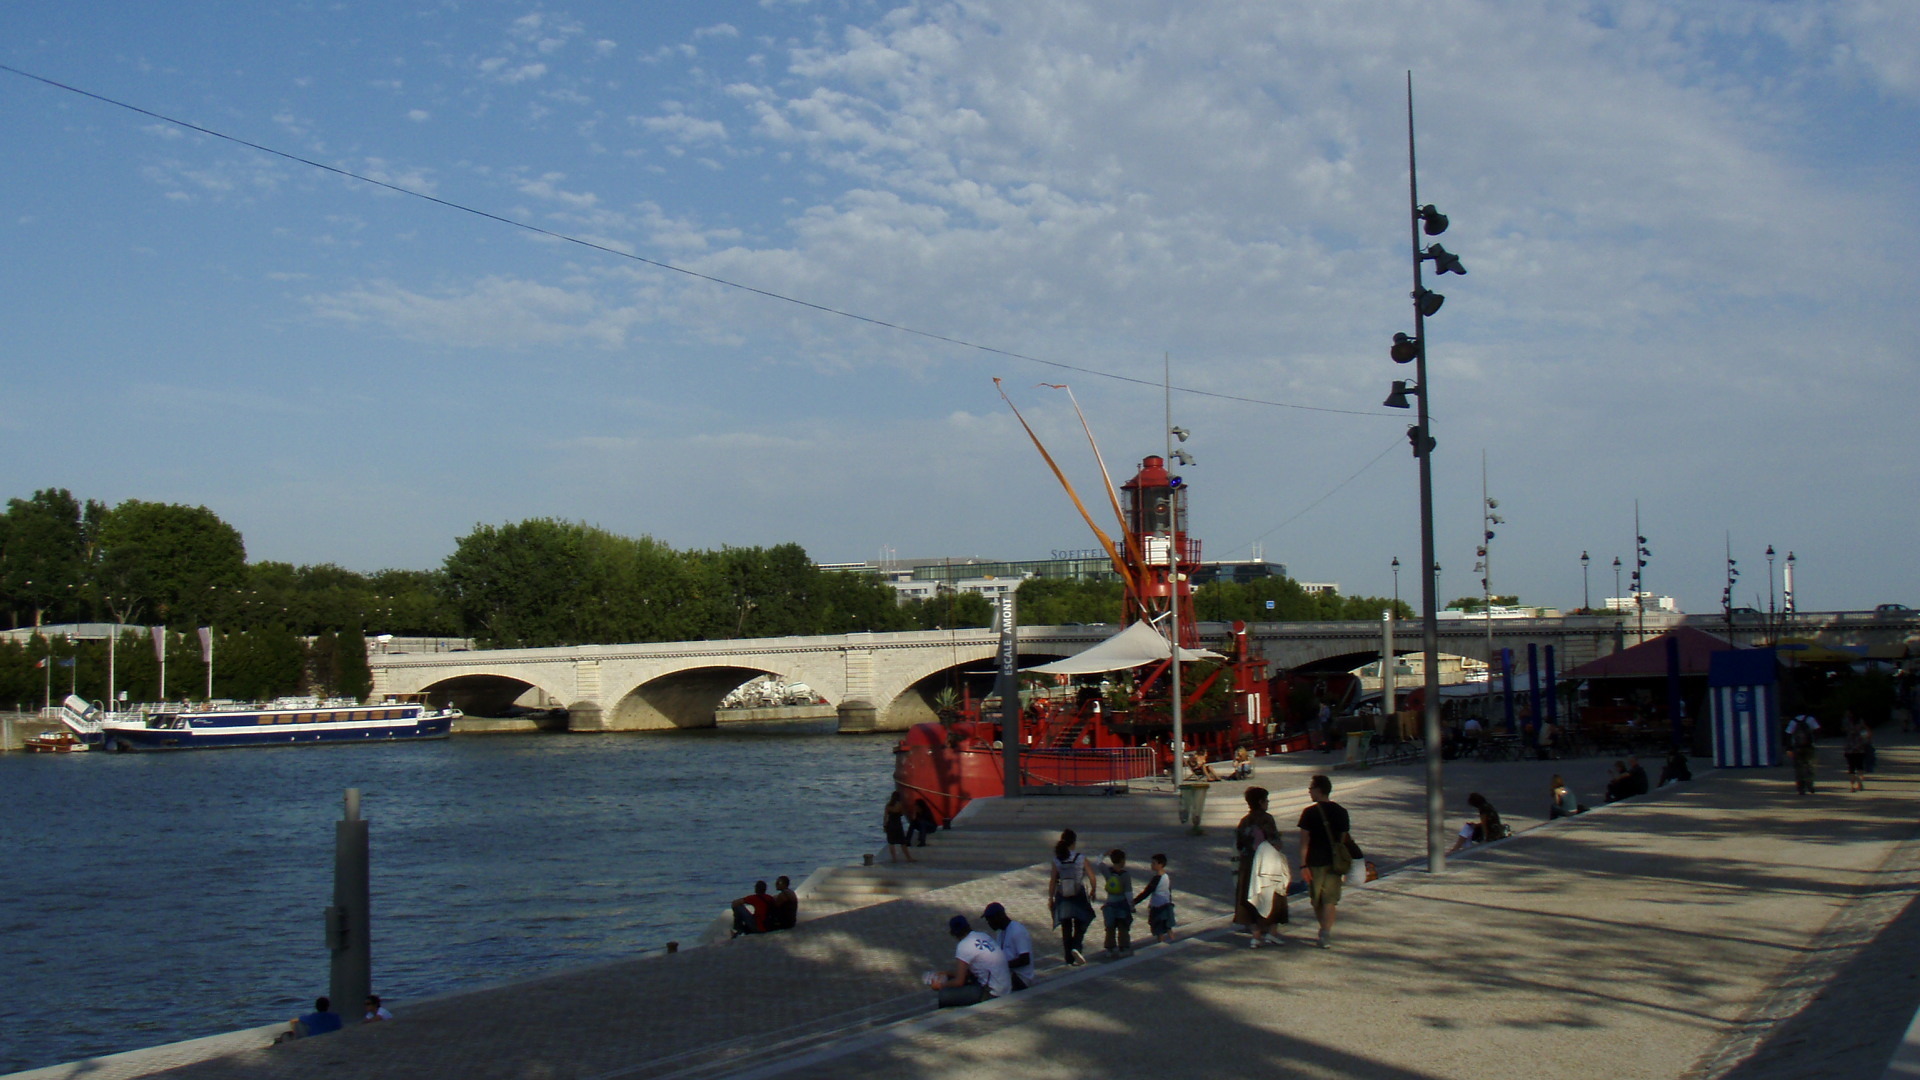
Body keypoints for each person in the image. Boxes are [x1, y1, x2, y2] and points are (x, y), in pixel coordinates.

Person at [1297, 774, 1353, 949]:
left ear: (1318, 790)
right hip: (1334, 862)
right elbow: (1343, 838)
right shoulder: (1341, 812)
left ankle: (1324, 929)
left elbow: (1304, 841)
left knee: (1317, 899)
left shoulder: (1309, 813)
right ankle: (1325, 933)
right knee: (1330, 899)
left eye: (1311, 788)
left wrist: (1303, 864)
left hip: (1315, 861)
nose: (1309, 791)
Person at [1233, 786, 1288, 947]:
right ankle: (1272, 932)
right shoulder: (1267, 819)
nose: (1268, 803)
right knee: (1273, 895)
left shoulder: (1244, 821)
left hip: (1248, 864)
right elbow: (1275, 842)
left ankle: (1255, 935)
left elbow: (1239, 844)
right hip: (1267, 865)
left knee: (1250, 896)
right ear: (1260, 801)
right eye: (1266, 800)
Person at [928, 915, 1011, 1007]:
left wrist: (940, 985)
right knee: (961, 980)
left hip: (992, 992)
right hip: (1006, 987)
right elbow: (967, 973)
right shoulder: (983, 935)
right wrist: (947, 973)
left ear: (954, 934)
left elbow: (959, 981)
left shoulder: (963, 945)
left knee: (944, 995)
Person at [1047, 829, 1097, 965]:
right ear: (1074, 843)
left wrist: (1050, 898)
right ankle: (1076, 946)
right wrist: (1093, 889)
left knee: (1066, 926)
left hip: (1063, 894)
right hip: (1078, 893)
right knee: (1083, 919)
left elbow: (1053, 880)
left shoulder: (1057, 860)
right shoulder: (1080, 858)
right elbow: (1092, 876)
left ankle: (1068, 957)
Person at [982, 902, 1035, 990]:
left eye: (990, 919)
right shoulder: (1000, 932)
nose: (989, 923)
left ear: (1000, 916)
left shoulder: (1017, 930)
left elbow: (1025, 960)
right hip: (1008, 974)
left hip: (1021, 978)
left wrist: (1001, 966)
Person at [1097, 849, 1135, 957]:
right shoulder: (1125, 875)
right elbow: (1128, 892)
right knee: (1123, 927)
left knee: (1110, 927)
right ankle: (1123, 948)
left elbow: (1098, 862)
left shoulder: (1108, 871)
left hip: (1109, 904)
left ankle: (1110, 948)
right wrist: (1131, 906)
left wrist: (1105, 853)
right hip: (1122, 904)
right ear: (1122, 860)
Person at [1132, 853, 1176, 944]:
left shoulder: (1156, 879)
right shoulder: (1166, 877)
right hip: (1166, 906)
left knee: (1159, 930)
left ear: (1160, 864)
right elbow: (1168, 892)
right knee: (1168, 928)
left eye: (1154, 863)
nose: (1152, 865)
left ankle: (1161, 947)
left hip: (1158, 908)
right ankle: (1174, 944)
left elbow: (1146, 892)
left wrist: (1134, 902)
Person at [1787, 711, 1819, 794]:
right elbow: (1817, 730)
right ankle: (1810, 784)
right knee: (1810, 766)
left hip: (1797, 747)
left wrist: (1789, 748)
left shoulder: (1793, 721)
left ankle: (1801, 787)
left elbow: (1788, 734)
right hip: (1809, 746)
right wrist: (1814, 741)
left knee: (1798, 767)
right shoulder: (1810, 719)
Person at [883, 792, 916, 863]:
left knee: (891, 843)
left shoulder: (888, 805)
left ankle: (894, 859)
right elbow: (902, 813)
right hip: (897, 825)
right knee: (902, 842)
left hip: (890, 825)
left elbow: (885, 817)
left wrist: (885, 826)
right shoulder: (900, 805)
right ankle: (908, 858)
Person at [1845, 719, 1868, 792]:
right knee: (1859, 767)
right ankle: (1860, 784)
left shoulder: (1847, 723)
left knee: (1851, 768)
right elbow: (1865, 736)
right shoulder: (1861, 724)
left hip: (1849, 749)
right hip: (1860, 749)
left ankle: (1852, 786)